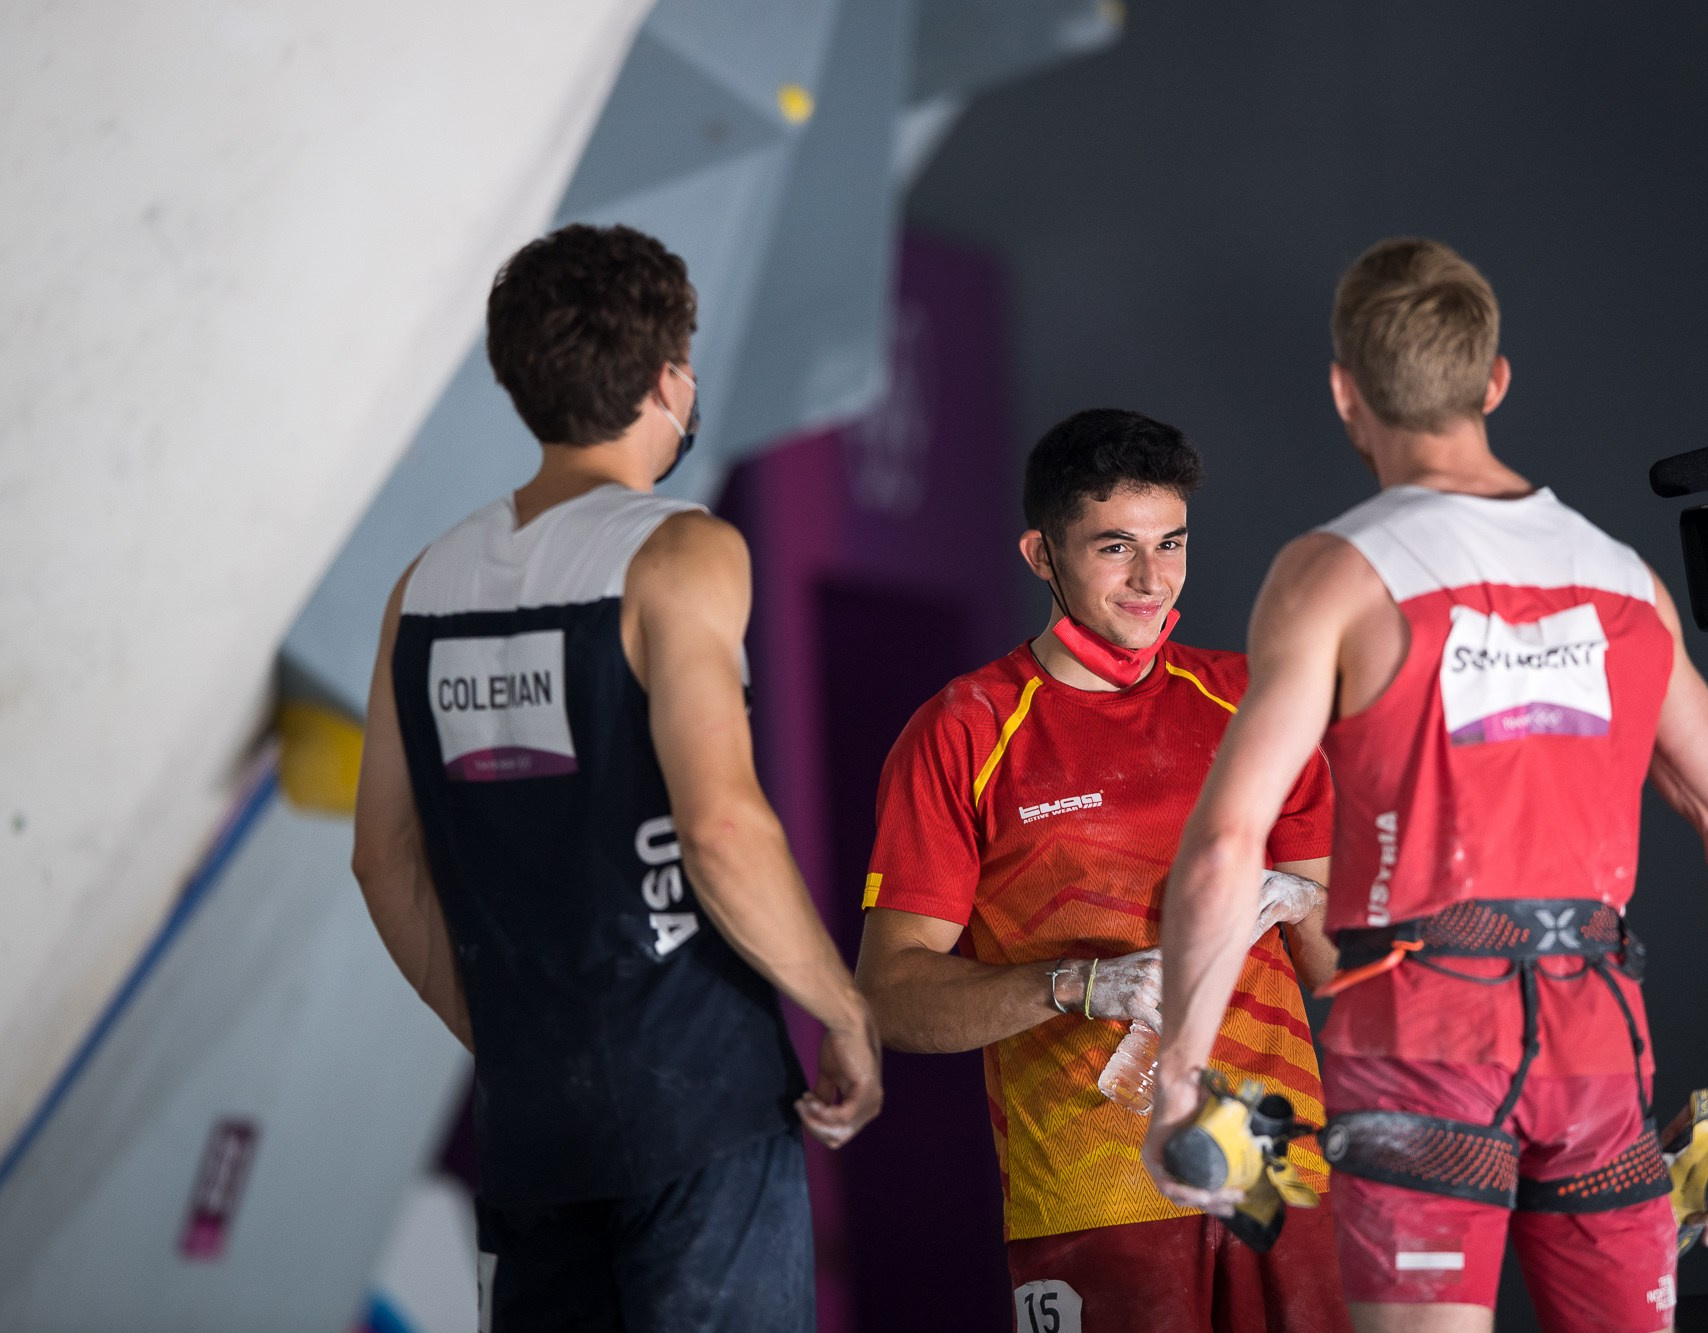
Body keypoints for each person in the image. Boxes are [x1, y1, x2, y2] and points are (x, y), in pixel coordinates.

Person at [1143, 238, 1708, 1333]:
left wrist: (1178, 1081)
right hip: (1597, 1047)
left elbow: (1224, 848)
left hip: (1420, 1040)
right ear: (1493, 382)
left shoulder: (1335, 575)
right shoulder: (1622, 581)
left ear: (1345, 393)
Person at [351, 223, 881, 1333]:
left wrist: (510, 1046)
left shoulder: (424, 584)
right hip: (700, 1110)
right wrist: (841, 1007)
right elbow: (722, 830)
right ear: (667, 379)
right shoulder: (680, 551)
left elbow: (382, 862)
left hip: (532, 1133)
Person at [853, 409, 1351, 1333]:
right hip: (1092, 1193)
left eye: (1171, 543)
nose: (1152, 579)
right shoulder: (964, 729)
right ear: (1041, 554)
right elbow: (888, 996)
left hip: (1277, 1174)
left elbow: (1334, 969)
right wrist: (1080, 983)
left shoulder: (1252, 703)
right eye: (1115, 547)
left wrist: (1305, 900)